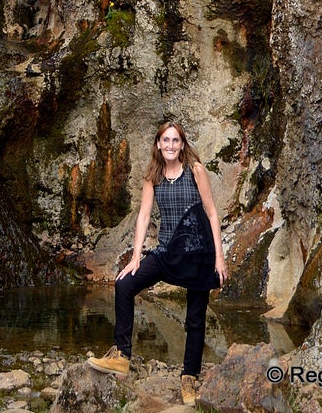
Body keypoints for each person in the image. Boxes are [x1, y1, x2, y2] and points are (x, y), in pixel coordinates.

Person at [88, 120, 228, 407]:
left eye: (176, 140)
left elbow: (212, 214)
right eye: (166, 140)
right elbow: (143, 216)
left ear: (182, 144)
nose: (171, 145)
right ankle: (122, 355)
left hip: (198, 254)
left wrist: (219, 256)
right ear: (158, 144)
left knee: (194, 319)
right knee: (124, 284)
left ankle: (189, 377)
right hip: (166, 253)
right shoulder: (153, 175)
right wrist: (136, 256)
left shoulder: (196, 171)